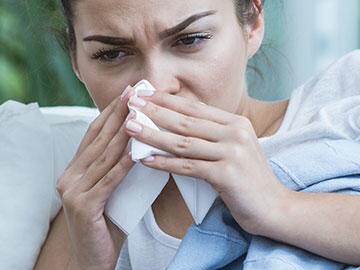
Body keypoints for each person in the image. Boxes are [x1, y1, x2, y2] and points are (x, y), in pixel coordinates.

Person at [34, 0, 360, 269]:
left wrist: (279, 206)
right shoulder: (90, 204)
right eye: (111, 54)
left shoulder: (343, 99)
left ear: (253, 22)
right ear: (76, 59)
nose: (157, 85)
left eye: (190, 39)